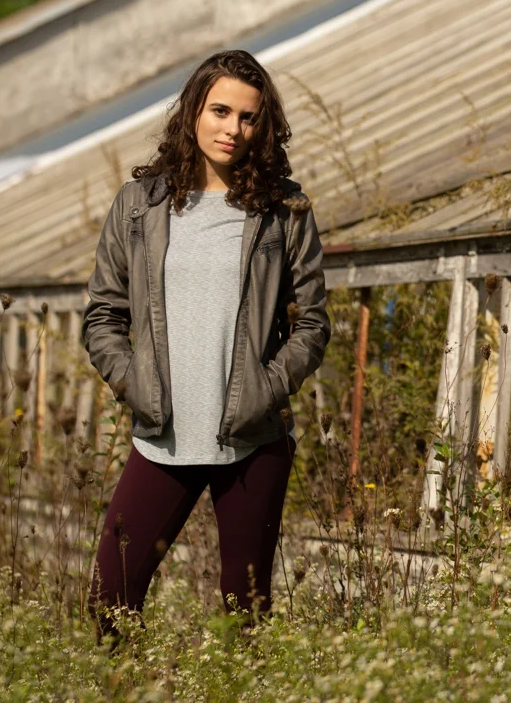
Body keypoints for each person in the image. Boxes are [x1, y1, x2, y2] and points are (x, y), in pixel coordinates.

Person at [81, 49, 330, 635]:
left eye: (248, 117)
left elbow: (313, 324)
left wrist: (267, 388)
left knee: (244, 615)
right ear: (193, 109)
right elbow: (103, 315)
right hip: (162, 435)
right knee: (109, 599)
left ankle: (241, 684)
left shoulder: (283, 210)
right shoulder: (139, 206)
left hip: (251, 440)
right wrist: (132, 382)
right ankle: (119, 681)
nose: (233, 129)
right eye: (220, 111)